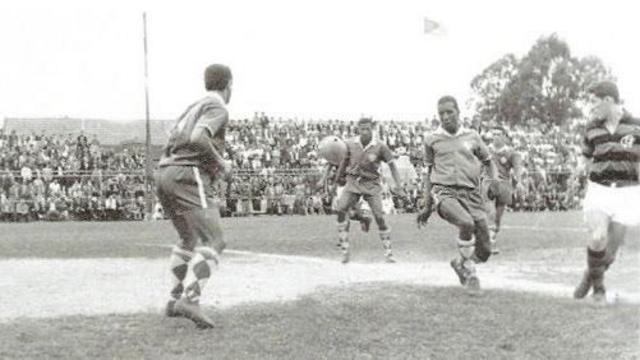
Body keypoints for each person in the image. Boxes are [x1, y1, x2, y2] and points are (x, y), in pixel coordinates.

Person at [154, 64, 233, 329]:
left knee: (188, 237)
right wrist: (221, 163)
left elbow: (175, 138)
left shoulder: (192, 107)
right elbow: (200, 138)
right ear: (229, 85)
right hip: (188, 174)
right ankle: (190, 299)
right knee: (216, 239)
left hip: (165, 171)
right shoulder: (218, 107)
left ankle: (174, 299)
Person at [417, 95, 499, 293]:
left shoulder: (472, 136)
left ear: (458, 112)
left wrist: (494, 181)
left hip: (471, 194)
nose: (445, 117)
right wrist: (427, 204)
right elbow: (427, 173)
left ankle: (460, 262)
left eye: (449, 112)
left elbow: (489, 162)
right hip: (444, 192)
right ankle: (470, 273)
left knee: (485, 251)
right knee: (466, 223)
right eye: (441, 113)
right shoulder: (431, 140)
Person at [573, 81, 640, 304]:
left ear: (608, 100)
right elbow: (585, 155)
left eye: (594, 101)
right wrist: (580, 168)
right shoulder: (592, 126)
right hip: (599, 189)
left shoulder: (636, 125)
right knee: (598, 236)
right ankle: (599, 290)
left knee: (609, 254)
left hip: (628, 193)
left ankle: (588, 276)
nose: (592, 107)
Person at [334, 117, 404, 264]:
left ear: (372, 129)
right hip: (353, 182)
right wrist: (338, 178)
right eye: (362, 129)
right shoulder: (350, 144)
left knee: (380, 217)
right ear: (358, 129)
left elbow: (392, 166)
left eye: (367, 128)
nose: (364, 131)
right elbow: (343, 162)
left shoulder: (380, 147)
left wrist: (399, 185)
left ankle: (389, 253)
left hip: (372, 184)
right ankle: (345, 250)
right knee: (341, 209)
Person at [484, 127, 524, 254]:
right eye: (493, 134)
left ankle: (491, 238)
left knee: (498, 217)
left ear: (505, 136)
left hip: (504, 185)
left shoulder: (511, 153)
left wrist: (519, 182)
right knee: (490, 211)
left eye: (498, 134)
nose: (495, 136)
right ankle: (489, 242)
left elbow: (517, 168)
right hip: (488, 182)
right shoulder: (485, 150)